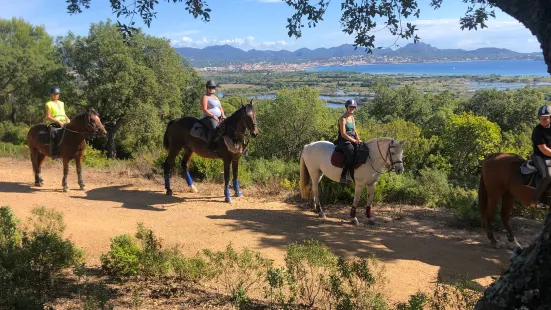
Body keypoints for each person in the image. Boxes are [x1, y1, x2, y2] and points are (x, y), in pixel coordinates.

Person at [531, 104, 551, 208]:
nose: (543, 120)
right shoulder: (537, 131)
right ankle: (535, 200)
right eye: (541, 118)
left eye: (546, 118)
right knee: (546, 177)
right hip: (539, 156)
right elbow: (543, 149)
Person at [337, 99, 361, 184]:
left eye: (354, 107)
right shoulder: (343, 119)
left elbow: (355, 130)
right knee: (351, 156)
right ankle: (343, 175)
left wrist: (358, 139)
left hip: (353, 139)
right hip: (344, 141)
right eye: (351, 107)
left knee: (361, 151)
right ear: (347, 107)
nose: (352, 109)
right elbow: (343, 134)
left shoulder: (352, 118)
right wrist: (354, 140)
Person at [201, 80, 226, 151]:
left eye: (213, 87)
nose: (212, 89)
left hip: (218, 117)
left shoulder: (215, 97)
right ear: (207, 88)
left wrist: (223, 115)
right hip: (208, 118)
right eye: (210, 87)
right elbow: (204, 110)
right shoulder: (205, 97)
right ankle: (209, 146)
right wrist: (213, 116)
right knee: (215, 129)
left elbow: (220, 107)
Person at [45, 86, 70, 159]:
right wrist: (58, 121)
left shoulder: (62, 103)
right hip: (53, 123)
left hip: (64, 122)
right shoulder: (49, 104)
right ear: (51, 95)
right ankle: (54, 153)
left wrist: (68, 119)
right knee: (53, 135)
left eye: (57, 94)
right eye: (54, 94)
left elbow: (63, 113)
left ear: (59, 95)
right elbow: (48, 116)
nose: (55, 95)